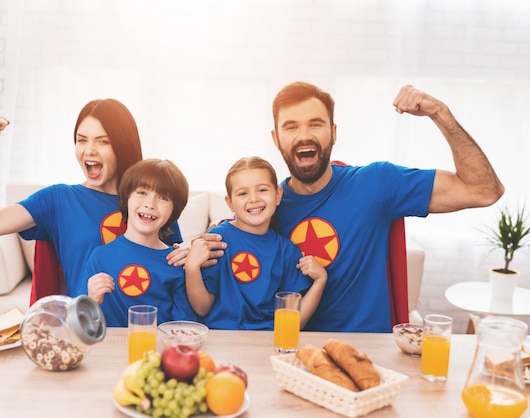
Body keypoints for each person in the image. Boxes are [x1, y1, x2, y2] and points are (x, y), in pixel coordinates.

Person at [266, 81, 504, 333]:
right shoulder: (266, 210)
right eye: (291, 127)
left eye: (316, 124)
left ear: (334, 132)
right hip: (295, 352)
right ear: (276, 138)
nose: (304, 135)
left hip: (372, 354)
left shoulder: (376, 183)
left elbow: (484, 190)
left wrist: (439, 112)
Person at [0, 99, 189, 298]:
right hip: (87, 327)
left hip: (144, 328)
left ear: (122, 145)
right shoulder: (59, 199)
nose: (89, 150)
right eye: (82, 140)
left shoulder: (150, 204)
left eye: (103, 141)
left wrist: (192, 253)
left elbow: (173, 269)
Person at [185, 156, 327, 330]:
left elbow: (293, 323)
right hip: (221, 338)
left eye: (262, 190)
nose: (253, 199)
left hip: (266, 341)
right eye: (243, 193)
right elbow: (202, 307)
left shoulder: (287, 251)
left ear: (277, 195)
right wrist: (191, 267)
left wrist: (320, 281)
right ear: (230, 203)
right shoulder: (216, 240)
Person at [80, 159, 199, 326]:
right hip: (108, 349)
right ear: (127, 198)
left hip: (156, 350)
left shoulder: (176, 262)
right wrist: (92, 300)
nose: (150, 204)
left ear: (174, 211)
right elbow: (80, 322)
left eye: (163, 198)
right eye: (142, 192)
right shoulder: (99, 258)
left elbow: (184, 327)